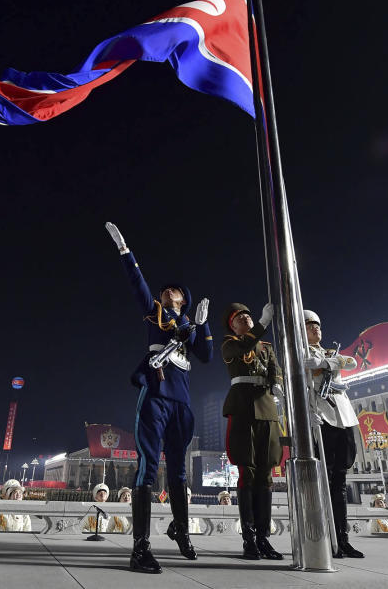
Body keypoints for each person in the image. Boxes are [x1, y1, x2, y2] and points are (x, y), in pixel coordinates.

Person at [105, 222, 213, 573]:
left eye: (174, 291)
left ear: (184, 299)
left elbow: (207, 356)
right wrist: (126, 253)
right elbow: (139, 287)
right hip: (156, 396)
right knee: (148, 469)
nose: (167, 292)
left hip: (181, 403)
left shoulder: (188, 326)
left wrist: (202, 325)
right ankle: (140, 549)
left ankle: (180, 530)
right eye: (165, 290)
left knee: (179, 471)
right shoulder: (156, 315)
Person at [220, 302, 284, 560]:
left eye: (247, 315)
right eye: (239, 317)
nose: (245, 318)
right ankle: (249, 540)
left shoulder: (266, 348)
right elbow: (246, 344)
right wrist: (262, 323)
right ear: (232, 326)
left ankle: (263, 539)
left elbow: (275, 369)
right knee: (248, 472)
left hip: (267, 409)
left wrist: (277, 384)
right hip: (243, 407)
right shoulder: (229, 345)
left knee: (266, 473)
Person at [305, 309, 363, 558]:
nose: (316, 329)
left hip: (344, 417)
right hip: (322, 417)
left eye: (317, 325)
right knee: (325, 481)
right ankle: (327, 537)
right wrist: (307, 414)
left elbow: (352, 362)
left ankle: (343, 538)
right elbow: (300, 386)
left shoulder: (330, 353)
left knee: (340, 480)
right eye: (310, 326)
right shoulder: (301, 354)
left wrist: (326, 363)